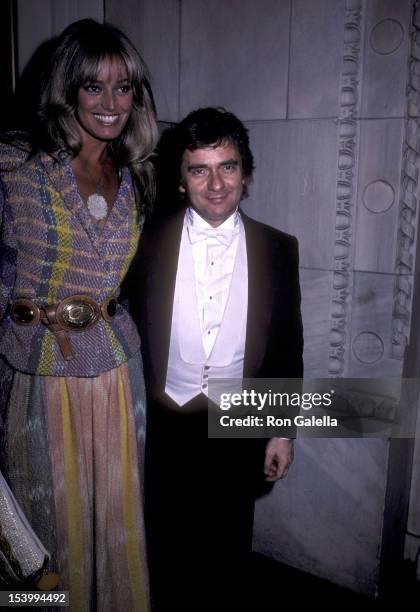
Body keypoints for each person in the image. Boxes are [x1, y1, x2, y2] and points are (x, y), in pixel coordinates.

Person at [0, 19, 157, 610]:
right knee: (38, 536)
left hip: (117, 375)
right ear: (67, 90)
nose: (111, 104)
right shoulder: (15, 166)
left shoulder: (139, 174)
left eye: (124, 88)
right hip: (37, 374)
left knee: (115, 522)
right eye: (94, 87)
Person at [126, 107, 303, 610]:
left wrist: (282, 429)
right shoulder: (144, 240)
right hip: (163, 421)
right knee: (162, 551)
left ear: (246, 173)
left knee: (227, 557)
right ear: (181, 180)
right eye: (199, 169)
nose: (216, 183)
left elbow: (289, 344)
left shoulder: (279, 248)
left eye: (227, 166)